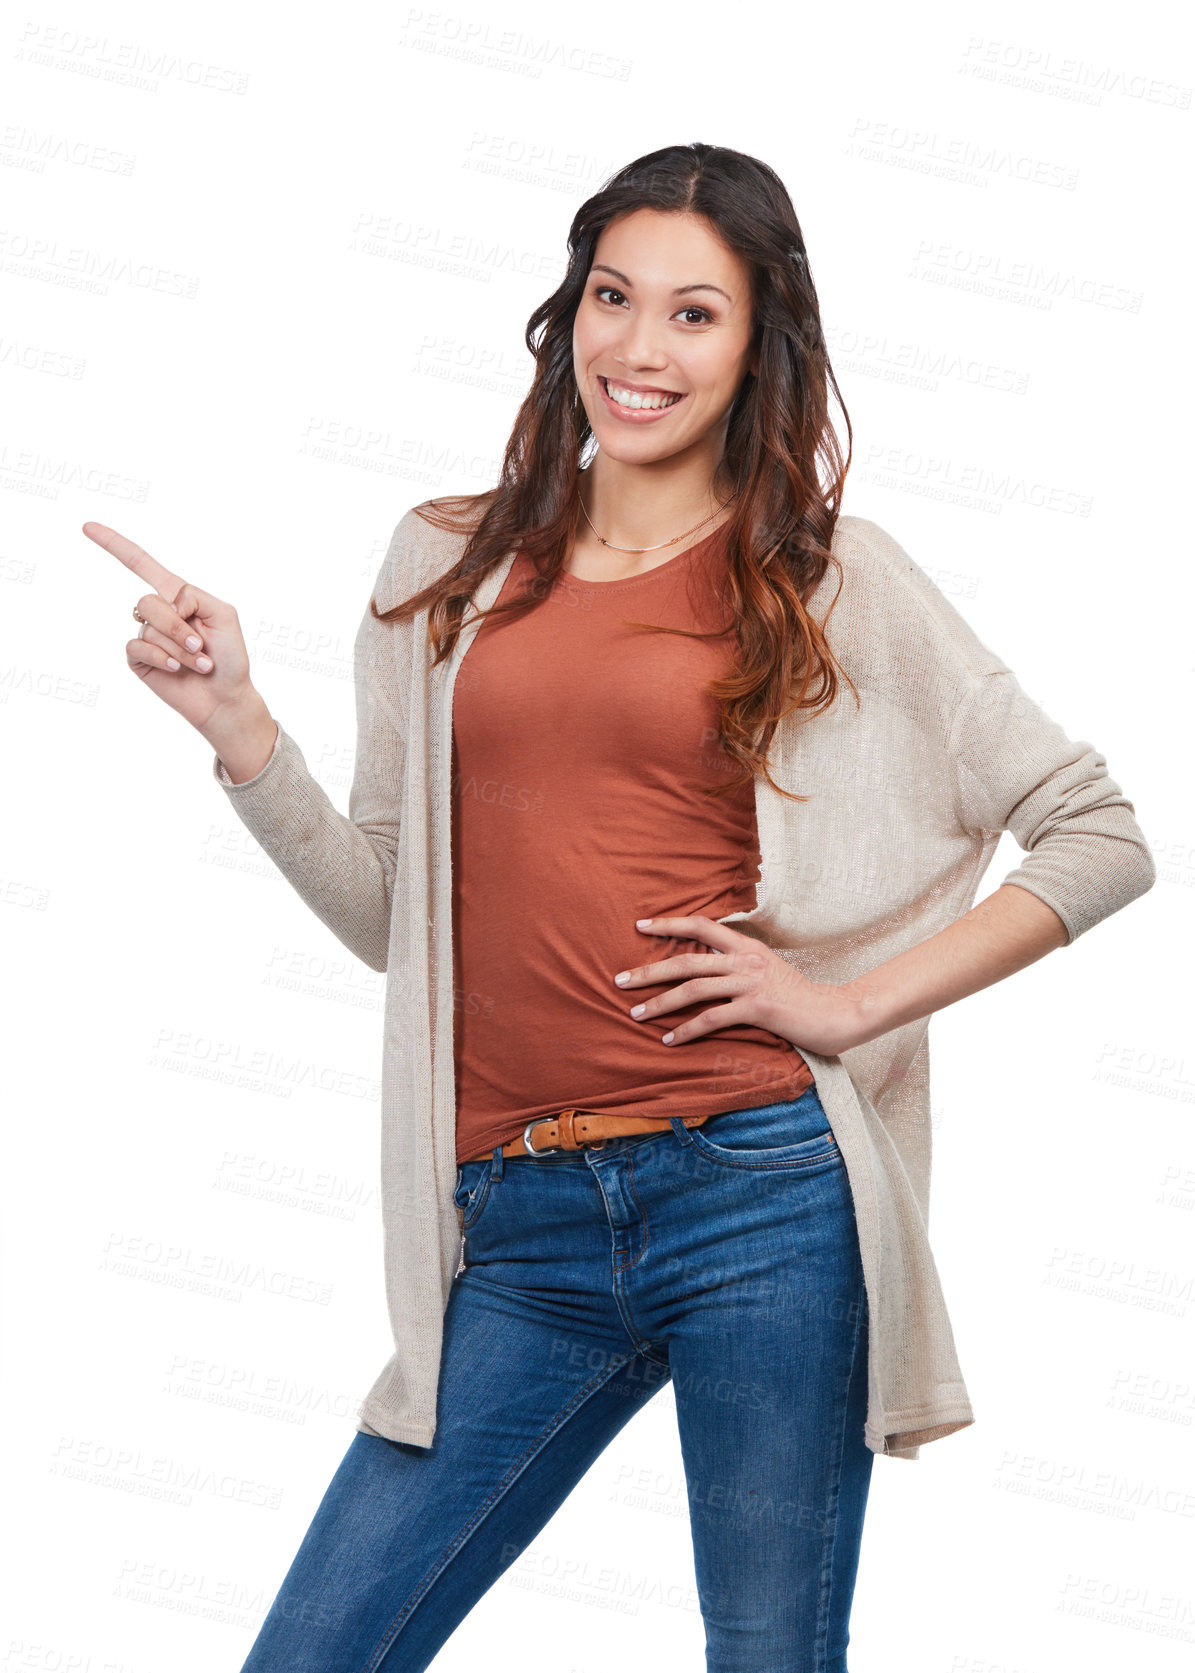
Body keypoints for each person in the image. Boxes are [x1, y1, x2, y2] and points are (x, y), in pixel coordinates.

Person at [83, 143, 1155, 1672]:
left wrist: (847, 1006)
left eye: (695, 314)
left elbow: (1097, 833)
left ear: (758, 343)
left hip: (763, 1195)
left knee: (769, 1655)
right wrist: (241, 729)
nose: (639, 349)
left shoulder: (830, 575)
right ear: (568, 310)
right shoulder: (447, 566)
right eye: (612, 296)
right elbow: (398, 916)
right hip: (517, 1226)